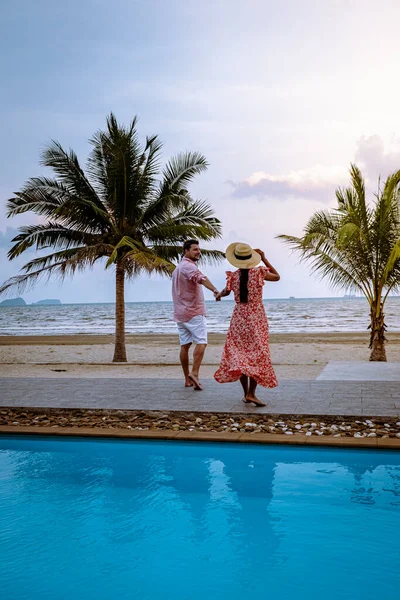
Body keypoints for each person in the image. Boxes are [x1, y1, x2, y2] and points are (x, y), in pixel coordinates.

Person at [214, 242, 280, 406]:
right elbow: (277, 276)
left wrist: (219, 296)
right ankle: (251, 393)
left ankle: (246, 394)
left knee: (240, 356)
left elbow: (225, 291)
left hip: (239, 318)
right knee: (257, 354)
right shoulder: (259, 272)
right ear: (251, 258)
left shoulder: (233, 276)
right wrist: (264, 258)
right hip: (255, 317)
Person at [172, 239, 220, 391]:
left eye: (199, 250)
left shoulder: (178, 268)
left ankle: (187, 379)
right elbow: (201, 278)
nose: (198, 252)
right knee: (202, 342)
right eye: (195, 249)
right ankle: (195, 373)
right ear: (186, 251)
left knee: (185, 345)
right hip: (194, 312)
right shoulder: (188, 266)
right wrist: (215, 290)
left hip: (180, 313)